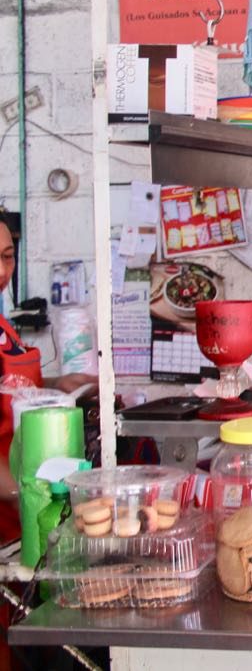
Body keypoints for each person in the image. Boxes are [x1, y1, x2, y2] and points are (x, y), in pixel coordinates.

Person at [0, 213, 94, 543]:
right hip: (11, 496)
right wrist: (19, 490)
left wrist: (57, 385)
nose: (1, 271)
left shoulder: (4, 327)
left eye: (7, 257)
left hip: (25, 499)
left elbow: (13, 387)